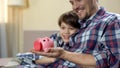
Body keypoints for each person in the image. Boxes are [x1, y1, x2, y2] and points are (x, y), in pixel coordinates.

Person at [31, 0, 120, 68]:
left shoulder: (112, 21)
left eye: (79, 0)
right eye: (72, 2)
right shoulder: (75, 20)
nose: (74, 7)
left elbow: (113, 61)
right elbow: (54, 40)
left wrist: (63, 54)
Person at [16, 10, 80, 68]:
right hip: (41, 61)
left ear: (78, 30)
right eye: (63, 28)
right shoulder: (57, 37)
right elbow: (41, 54)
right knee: (23, 57)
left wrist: (49, 59)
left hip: (52, 63)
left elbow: (55, 60)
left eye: (71, 28)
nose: (66, 32)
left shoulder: (78, 42)